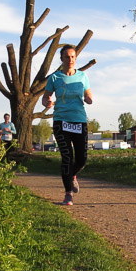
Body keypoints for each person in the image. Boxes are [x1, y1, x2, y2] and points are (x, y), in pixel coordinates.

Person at [42, 45, 93, 206]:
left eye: (72, 57)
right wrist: (47, 102)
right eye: (67, 57)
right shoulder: (55, 78)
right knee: (67, 157)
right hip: (61, 121)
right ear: (61, 59)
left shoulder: (82, 76)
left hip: (79, 121)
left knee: (82, 159)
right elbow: (45, 97)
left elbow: (88, 94)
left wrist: (89, 99)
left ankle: (72, 176)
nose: (70, 60)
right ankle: (68, 194)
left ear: (75, 58)